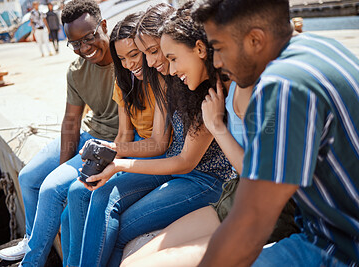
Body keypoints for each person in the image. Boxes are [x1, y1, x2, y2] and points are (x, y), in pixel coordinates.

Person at [190, 0, 359, 266]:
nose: (217, 61)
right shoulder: (321, 46)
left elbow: (251, 225)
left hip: (340, 247)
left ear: (255, 39)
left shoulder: (283, 86)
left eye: (219, 48)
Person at [77, 3, 237, 267]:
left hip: (203, 179)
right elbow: (160, 141)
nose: (150, 62)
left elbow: (186, 161)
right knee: (101, 196)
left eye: (155, 52)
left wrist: (119, 162)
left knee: (121, 227)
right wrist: (114, 152)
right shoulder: (170, 77)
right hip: (176, 169)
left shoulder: (207, 90)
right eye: (146, 53)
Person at [0, 0, 118, 266]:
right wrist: (65, 167)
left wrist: (61, 178)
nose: (84, 48)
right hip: (89, 134)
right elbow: (72, 122)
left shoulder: (126, 57)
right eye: (75, 44)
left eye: (89, 38)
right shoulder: (75, 71)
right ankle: (32, 237)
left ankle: (33, 261)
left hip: (112, 143)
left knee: (51, 189)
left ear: (104, 26)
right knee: (29, 178)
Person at [60, 11, 171, 267]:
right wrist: (107, 157)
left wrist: (115, 151)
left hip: (160, 156)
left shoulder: (161, 79)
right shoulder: (124, 80)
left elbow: (158, 143)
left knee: (103, 197)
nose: (130, 63)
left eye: (135, 55)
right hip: (135, 150)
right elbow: (124, 134)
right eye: (122, 58)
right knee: (77, 191)